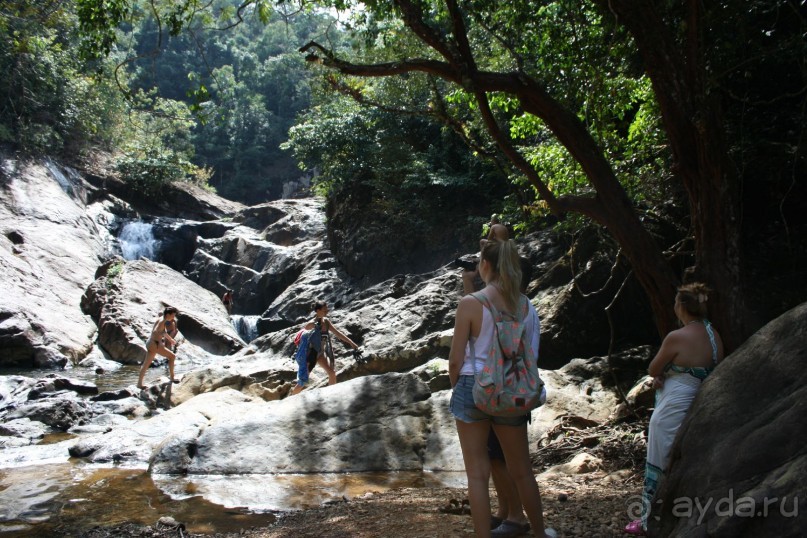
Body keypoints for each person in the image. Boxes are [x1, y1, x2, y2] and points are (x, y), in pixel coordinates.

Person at [449, 238, 556, 538]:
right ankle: (539, 533)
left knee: (478, 474)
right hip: (512, 389)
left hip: (473, 386)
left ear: (485, 265)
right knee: (522, 470)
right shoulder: (525, 305)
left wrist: (457, 387)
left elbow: (456, 360)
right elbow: (530, 354)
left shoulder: (470, 304)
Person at [624, 282, 724, 535]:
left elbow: (653, 369)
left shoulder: (677, 337)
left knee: (660, 460)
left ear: (681, 306)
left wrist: (663, 373)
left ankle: (650, 520)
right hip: (700, 400)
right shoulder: (713, 333)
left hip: (674, 406)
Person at [290, 300, 359, 395]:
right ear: (318, 311)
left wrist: (352, 344)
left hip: (320, 354)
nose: (327, 312)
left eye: (327, 310)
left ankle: (331, 395)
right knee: (302, 381)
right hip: (310, 355)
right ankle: (291, 399)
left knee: (332, 373)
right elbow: (303, 338)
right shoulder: (311, 324)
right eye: (324, 310)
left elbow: (338, 333)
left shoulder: (326, 322)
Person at [137, 306, 179, 389]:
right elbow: (156, 330)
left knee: (146, 364)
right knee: (172, 356)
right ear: (168, 314)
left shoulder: (161, 319)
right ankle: (172, 377)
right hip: (155, 344)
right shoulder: (163, 321)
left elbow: (163, 332)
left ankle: (139, 384)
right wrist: (160, 337)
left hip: (150, 343)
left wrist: (170, 340)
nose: (173, 317)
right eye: (173, 315)